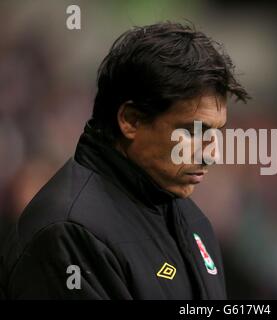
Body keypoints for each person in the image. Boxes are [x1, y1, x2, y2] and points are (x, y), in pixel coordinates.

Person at [0, 21, 249, 299]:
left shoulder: (191, 218)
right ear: (130, 120)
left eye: (216, 133)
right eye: (193, 132)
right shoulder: (68, 233)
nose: (210, 154)